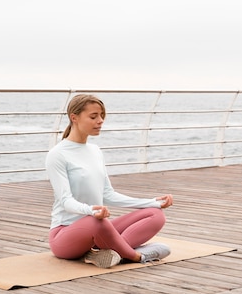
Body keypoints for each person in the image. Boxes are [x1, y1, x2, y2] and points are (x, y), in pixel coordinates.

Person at [46, 94, 173, 268]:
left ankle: (108, 253)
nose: (100, 121)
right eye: (93, 116)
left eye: (101, 116)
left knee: (155, 214)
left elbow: (108, 194)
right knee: (96, 222)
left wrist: (153, 202)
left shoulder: (95, 151)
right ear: (74, 118)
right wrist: (90, 210)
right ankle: (136, 256)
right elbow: (65, 201)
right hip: (64, 235)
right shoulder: (57, 155)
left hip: (98, 228)